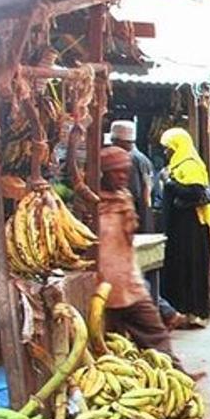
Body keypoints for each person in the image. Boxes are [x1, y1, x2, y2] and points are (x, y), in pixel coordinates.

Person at [68, 129, 184, 365]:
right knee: (107, 344)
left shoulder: (124, 198)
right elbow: (76, 183)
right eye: (116, 172)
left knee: (155, 333)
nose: (122, 176)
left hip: (128, 279)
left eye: (125, 172)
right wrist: (72, 145)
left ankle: (177, 373)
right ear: (103, 173)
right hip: (102, 286)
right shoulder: (91, 203)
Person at [159, 128, 210, 321]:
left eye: (168, 148)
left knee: (191, 269)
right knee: (180, 268)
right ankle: (182, 311)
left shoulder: (190, 165)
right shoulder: (177, 165)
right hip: (180, 227)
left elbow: (196, 192)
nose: (166, 152)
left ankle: (193, 312)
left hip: (191, 227)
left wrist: (170, 183)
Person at [108, 120, 154, 233]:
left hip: (133, 215)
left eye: (114, 142)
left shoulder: (128, 159)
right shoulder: (143, 159)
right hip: (143, 213)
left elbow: (134, 192)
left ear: (119, 141)